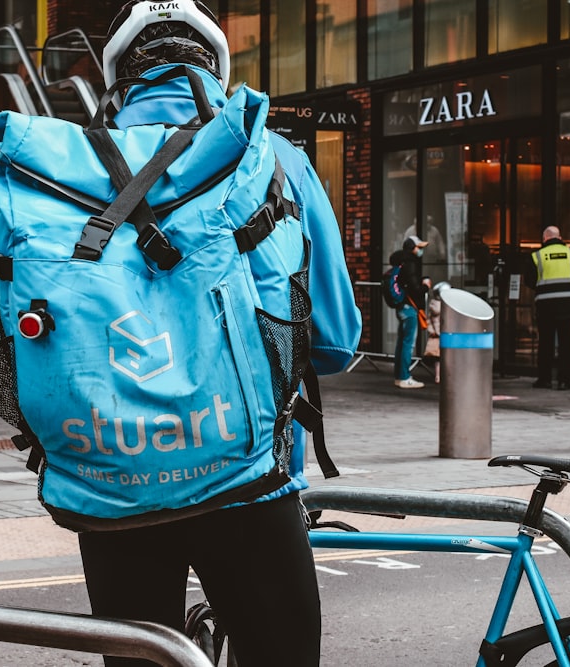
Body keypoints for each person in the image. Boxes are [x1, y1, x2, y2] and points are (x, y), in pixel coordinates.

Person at [79, 3, 362, 666]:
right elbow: (338, 339)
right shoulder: (276, 157)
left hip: (117, 478)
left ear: (119, 69)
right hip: (249, 472)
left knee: (141, 657)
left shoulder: (71, 164)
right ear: (215, 62)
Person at [524, 226, 570, 390]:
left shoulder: (537, 256)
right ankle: (564, 380)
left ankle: (544, 379)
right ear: (560, 237)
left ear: (545, 238)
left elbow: (529, 281)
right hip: (568, 303)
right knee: (566, 344)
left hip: (546, 305)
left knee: (545, 343)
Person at [389, 235, 430, 389]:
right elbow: (415, 288)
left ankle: (400, 376)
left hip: (402, 306)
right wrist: (425, 286)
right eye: (419, 247)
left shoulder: (400, 262)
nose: (420, 251)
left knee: (402, 342)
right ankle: (404, 377)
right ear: (412, 248)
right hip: (409, 307)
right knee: (408, 343)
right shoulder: (410, 263)